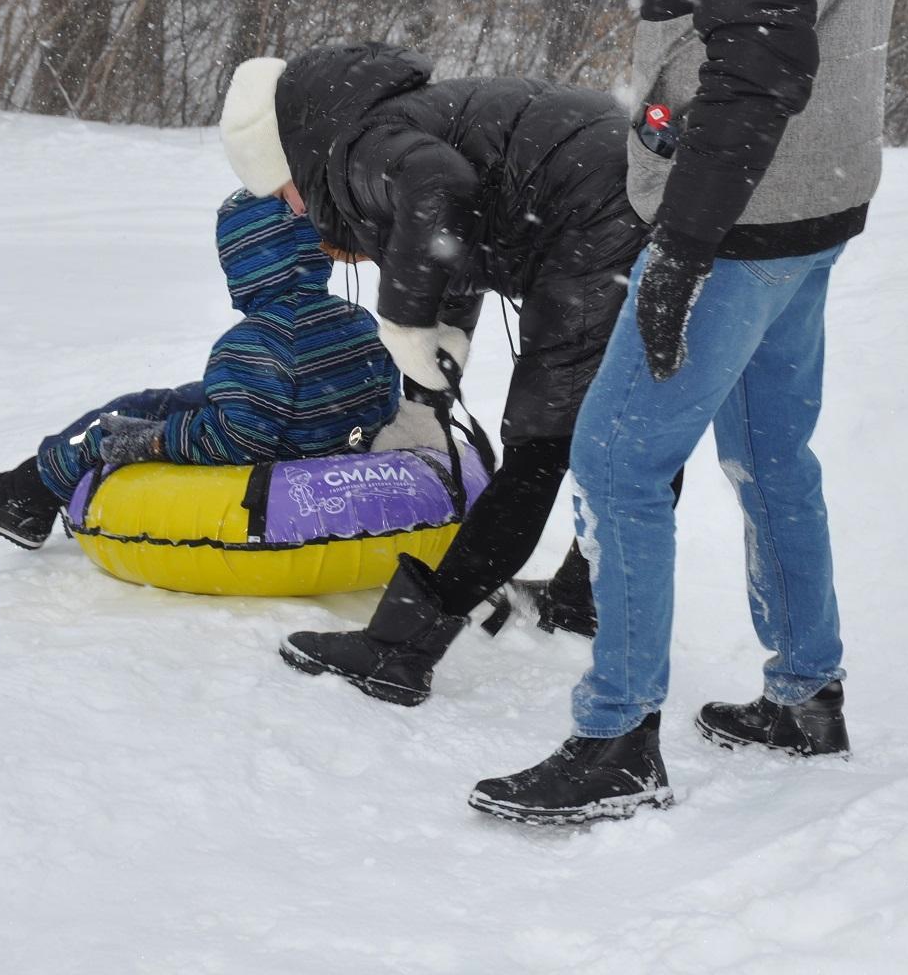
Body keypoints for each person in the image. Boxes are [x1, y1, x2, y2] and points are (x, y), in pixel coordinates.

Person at [469, 0, 902, 824]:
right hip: (819, 204)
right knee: (772, 453)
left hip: (742, 216)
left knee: (613, 452)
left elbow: (760, 56)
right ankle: (804, 691)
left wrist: (678, 253)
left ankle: (615, 738)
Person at [218, 42, 650, 705]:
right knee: (629, 418)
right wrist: (429, 381)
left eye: (282, 193)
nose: (296, 211)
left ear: (288, 162)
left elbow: (441, 192)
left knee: (542, 443)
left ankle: (400, 649)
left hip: (592, 215)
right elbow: (457, 238)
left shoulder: (354, 150)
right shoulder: (383, 120)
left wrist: (406, 321)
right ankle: (583, 593)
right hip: (624, 185)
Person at [0, 189, 400, 549]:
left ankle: (30, 496)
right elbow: (383, 404)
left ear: (246, 266)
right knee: (174, 398)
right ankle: (37, 484)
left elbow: (239, 441)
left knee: (113, 429)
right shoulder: (358, 321)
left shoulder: (253, 344)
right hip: (317, 434)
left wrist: (160, 438)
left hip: (275, 464)